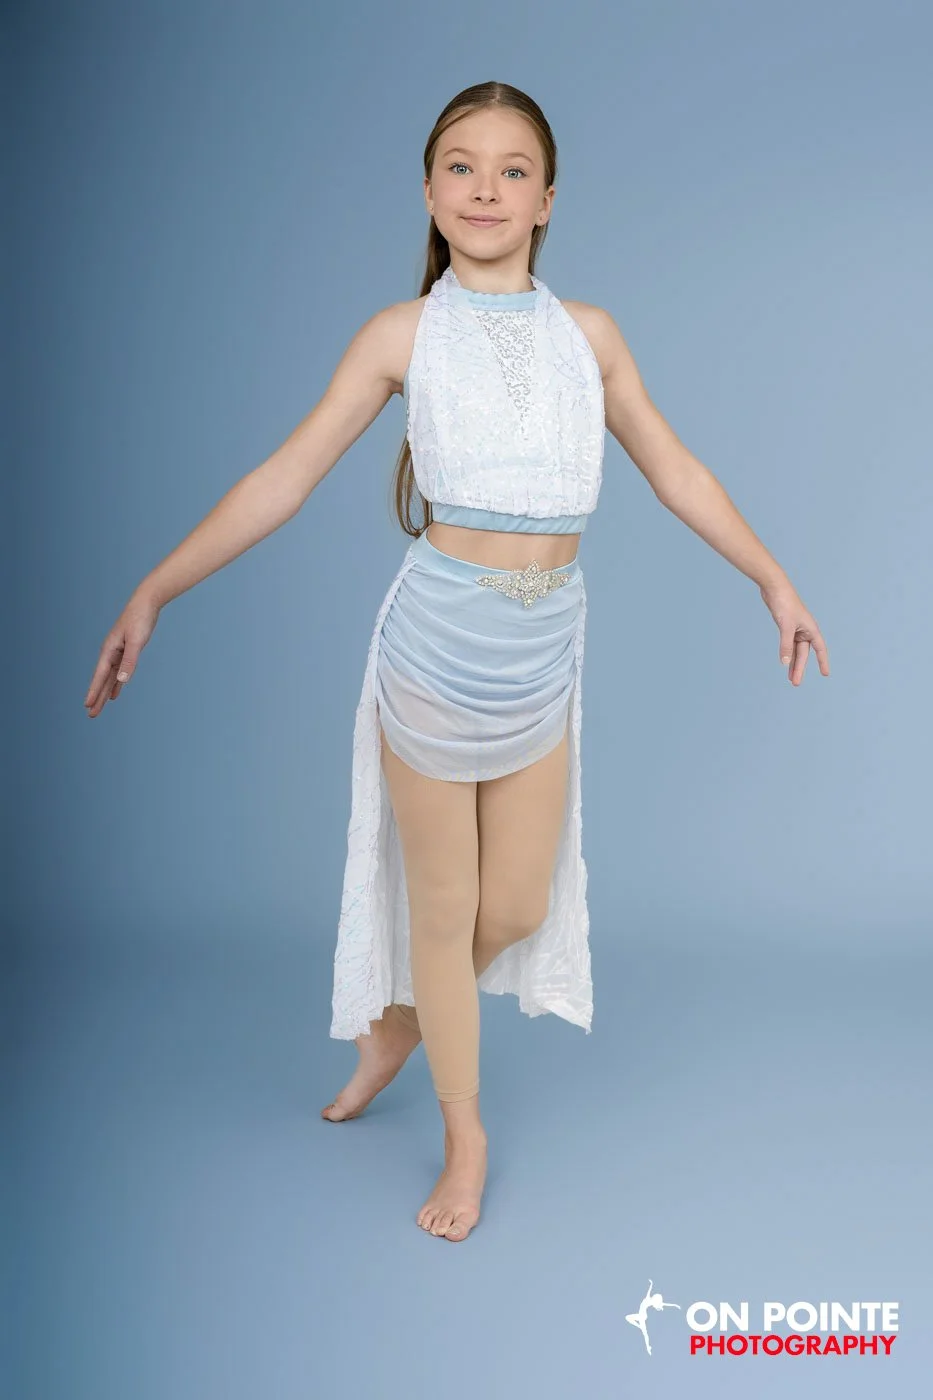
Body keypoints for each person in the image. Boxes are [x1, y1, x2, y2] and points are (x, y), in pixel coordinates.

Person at [83, 81, 830, 1246]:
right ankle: (465, 1136)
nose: (486, 188)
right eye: (461, 166)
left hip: (543, 654)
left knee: (519, 900)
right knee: (447, 906)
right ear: (430, 193)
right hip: (433, 651)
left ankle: (398, 1023)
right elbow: (282, 477)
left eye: (513, 168)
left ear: (547, 199)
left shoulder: (591, 335)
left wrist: (772, 577)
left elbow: (677, 468)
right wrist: (154, 590)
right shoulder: (400, 335)